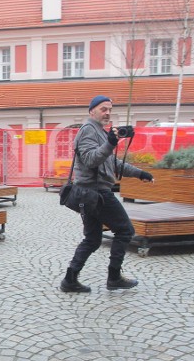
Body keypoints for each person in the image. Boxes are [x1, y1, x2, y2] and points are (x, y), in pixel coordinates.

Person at [60, 95, 154, 293]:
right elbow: (90, 159)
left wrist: (139, 173)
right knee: (125, 230)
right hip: (96, 193)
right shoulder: (88, 131)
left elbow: (111, 163)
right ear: (91, 111)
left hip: (91, 194)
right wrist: (111, 143)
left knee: (93, 239)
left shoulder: (100, 132)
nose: (108, 113)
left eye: (110, 109)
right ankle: (114, 277)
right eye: (103, 109)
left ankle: (70, 280)